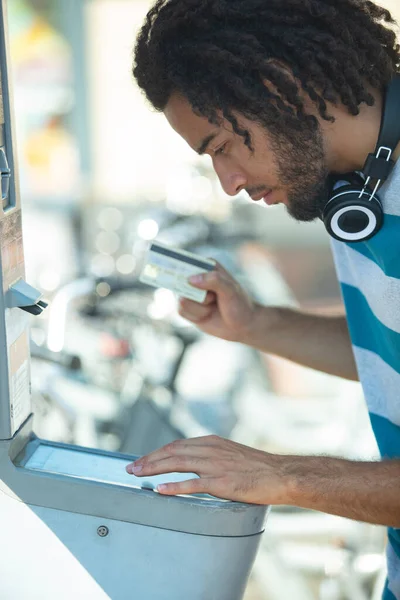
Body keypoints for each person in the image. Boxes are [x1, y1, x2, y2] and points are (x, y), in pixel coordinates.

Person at [125, 1, 400, 597]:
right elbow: (387, 355)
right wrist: (257, 324)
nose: (228, 183)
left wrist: (280, 475)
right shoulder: (356, 197)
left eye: (222, 145)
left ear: (278, 83)